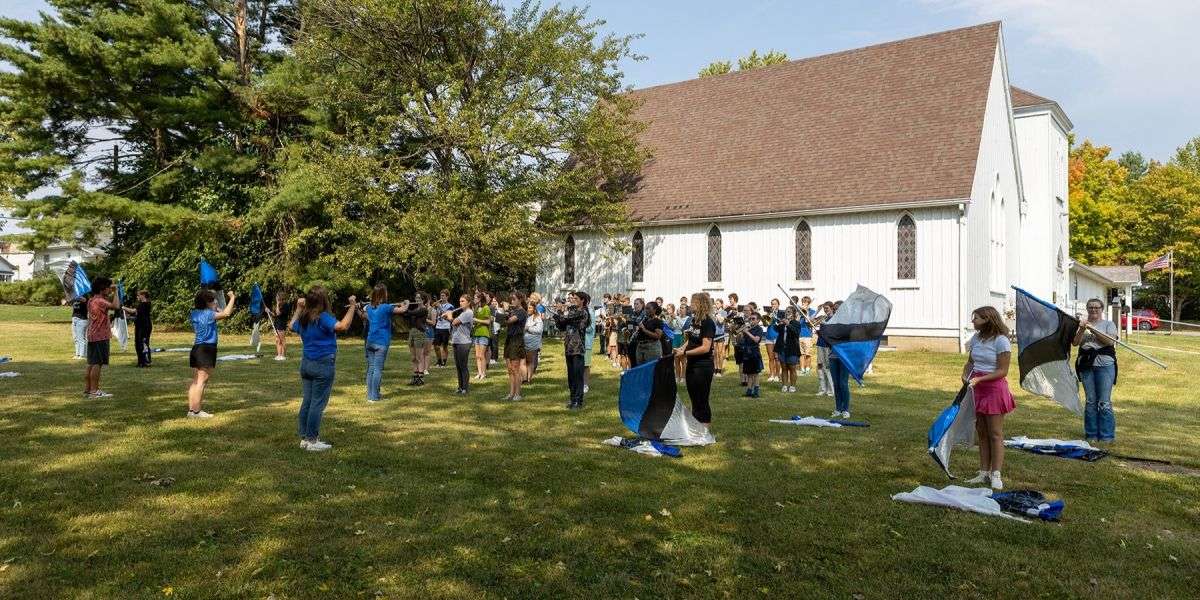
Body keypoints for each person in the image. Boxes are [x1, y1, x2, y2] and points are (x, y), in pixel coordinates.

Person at [291, 286, 357, 451]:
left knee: (307, 401)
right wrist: (353, 307)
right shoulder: (322, 317)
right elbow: (342, 326)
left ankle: (305, 439)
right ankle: (312, 441)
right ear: (323, 300)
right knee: (317, 403)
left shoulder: (304, 317)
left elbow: (292, 325)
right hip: (322, 364)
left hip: (306, 363)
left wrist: (299, 309)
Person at [961, 306, 1015, 490]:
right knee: (981, 432)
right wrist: (965, 374)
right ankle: (983, 473)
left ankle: (996, 474)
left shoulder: (1001, 341)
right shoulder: (976, 338)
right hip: (977, 388)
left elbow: (1003, 371)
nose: (973, 321)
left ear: (988, 319)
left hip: (993, 389)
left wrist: (980, 379)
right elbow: (970, 363)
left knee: (995, 434)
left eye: (976, 318)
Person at [1073, 298, 1118, 442]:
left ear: (1101, 309)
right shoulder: (1083, 325)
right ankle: (1091, 434)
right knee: (1091, 401)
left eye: (1096, 307)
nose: (1093, 310)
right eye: (1090, 307)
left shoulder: (1108, 324)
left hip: (1105, 365)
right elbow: (1075, 343)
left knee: (1103, 401)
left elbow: (1110, 341)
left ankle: (1106, 436)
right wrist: (1081, 328)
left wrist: (1093, 329)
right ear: (1087, 309)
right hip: (1087, 365)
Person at [187, 289, 236, 418]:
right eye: (213, 300)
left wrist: (214, 305)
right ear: (207, 302)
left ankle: (191, 410)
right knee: (202, 381)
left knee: (196, 381)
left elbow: (220, 312)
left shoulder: (194, 313)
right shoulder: (209, 315)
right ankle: (197, 411)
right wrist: (232, 298)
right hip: (207, 348)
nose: (215, 301)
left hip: (197, 348)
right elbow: (226, 313)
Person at [675, 292, 715, 426]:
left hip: (703, 366)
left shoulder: (708, 323)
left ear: (701, 304)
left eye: (693, 302)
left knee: (702, 399)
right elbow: (690, 339)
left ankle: (704, 432)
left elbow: (705, 348)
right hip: (692, 365)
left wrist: (685, 353)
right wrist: (681, 349)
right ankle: (696, 429)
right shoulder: (694, 321)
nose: (690, 305)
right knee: (694, 398)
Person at [361, 284, 405, 403]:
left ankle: (370, 395)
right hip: (381, 342)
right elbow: (403, 310)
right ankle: (374, 396)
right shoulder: (386, 307)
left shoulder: (369, 308)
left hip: (370, 341)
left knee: (370, 368)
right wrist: (405, 303)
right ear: (383, 294)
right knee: (377, 369)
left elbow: (366, 316)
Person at [551, 291, 590, 410]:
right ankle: (573, 399)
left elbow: (567, 318)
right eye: (572, 298)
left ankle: (578, 401)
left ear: (582, 300)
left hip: (578, 348)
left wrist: (560, 311)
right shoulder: (573, 311)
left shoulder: (583, 312)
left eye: (576, 298)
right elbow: (561, 325)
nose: (573, 300)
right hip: (568, 347)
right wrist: (557, 314)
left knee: (578, 376)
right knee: (571, 376)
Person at [83, 277, 121, 399]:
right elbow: (116, 306)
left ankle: (88, 389)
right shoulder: (100, 301)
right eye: (108, 287)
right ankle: (94, 391)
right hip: (100, 336)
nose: (110, 289)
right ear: (102, 288)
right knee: (97, 364)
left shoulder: (91, 300)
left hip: (92, 335)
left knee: (91, 363)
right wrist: (116, 292)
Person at [823, 300, 854, 418]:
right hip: (833, 356)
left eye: (837, 308)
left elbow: (849, 338)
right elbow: (827, 339)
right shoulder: (831, 321)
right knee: (836, 383)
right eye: (834, 309)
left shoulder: (848, 323)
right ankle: (838, 408)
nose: (835, 310)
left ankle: (845, 409)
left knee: (843, 383)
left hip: (844, 356)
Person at [396, 293, 429, 386]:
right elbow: (406, 315)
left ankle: (421, 378)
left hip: (419, 333)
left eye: (419, 298)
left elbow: (410, 313)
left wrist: (404, 306)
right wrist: (402, 307)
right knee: (413, 357)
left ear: (423, 300)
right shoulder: (415, 309)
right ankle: (415, 377)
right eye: (416, 297)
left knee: (419, 357)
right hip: (412, 332)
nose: (417, 299)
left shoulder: (423, 310)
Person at [503, 292, 528, 401]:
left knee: (515, 369)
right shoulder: (513, 311)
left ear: (520, 299)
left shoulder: (522, 312)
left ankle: (518, 394)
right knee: (510, 369)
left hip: (516, 341)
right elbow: (504, 321)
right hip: (509, 340)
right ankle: (511, 393)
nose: (511, 301)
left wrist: (506, 310)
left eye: (513, 299)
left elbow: (509, 320)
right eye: (510, 299)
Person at [447, 295, 474, 395]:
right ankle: (460, 387)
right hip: (456, 341)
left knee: (463, 366)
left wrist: (449, 315)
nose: (460, 303)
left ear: (468, 302)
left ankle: (465, 388)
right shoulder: (463, 313)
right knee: (458, 366)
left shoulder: (468, 313)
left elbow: (454, 322)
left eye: (463, 301)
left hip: (464, 342)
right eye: (460, 301)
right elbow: (454, 322)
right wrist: (446, 317)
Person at [122, 290, 153, 367]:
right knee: (138, 343)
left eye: (139, 295)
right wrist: (130, 317)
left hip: (144, 326)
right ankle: (140, 361)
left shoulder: (145, 304)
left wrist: (123, 307)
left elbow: (133, 311)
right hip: (140, 326)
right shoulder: (141, 304)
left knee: (143, 343)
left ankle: (145, 361)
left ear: (143, 295)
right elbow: (137, 314)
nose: (137, 297)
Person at [775, 307, 802, 393]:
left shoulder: (796, 323)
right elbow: (776, 329)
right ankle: (784, 385)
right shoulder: (782, 323)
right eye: (786, 311)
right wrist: (775, 321)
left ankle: (792, 386)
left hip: (792, 348)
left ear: (793, 313)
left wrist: (789, 324)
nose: (787, 313)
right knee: (784, 368)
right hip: (782, 348)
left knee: (792, 368)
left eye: (789, 311)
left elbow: (796, 333)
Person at [740, 311, 764, 398]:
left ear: (758, 320)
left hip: (754, 353)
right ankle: (749, 390)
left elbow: (756, 340)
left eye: (753, 319)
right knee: (749, 373)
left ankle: (756, 391)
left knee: (756, 373)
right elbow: (741, 339)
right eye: (750, 319)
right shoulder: (748, 328)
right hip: (747, 352)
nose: (751, 320)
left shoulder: (759, 329)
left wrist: (746, 332)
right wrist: (741, 332)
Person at [815, 302, 835, 397]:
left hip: (828, 346)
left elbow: (833, 331)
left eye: (827, 308)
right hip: (820, 344)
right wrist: (817, 311)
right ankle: (822, 389)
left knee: (827, 368)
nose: (825, 310)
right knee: (820, 366)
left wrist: (825, 324)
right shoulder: (824, 317)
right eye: (824, 308)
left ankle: (831, 390)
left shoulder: (834, 318)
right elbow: (810, 321)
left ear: (831, 308)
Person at [635, 301, 664, 366]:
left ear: (654, 310)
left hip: (652, 347)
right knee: (641, 369)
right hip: (640, 346)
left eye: (648, 308)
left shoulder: (658, 321)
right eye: (646, 308)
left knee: (650, 369)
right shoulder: (645, 320)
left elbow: (658, 336)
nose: (646, 310)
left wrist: (644, 330)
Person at [472, 292, 493, 380]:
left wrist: (476, 320)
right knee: (477, 355)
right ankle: (479, 373)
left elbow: (488, 321)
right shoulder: (477, 308)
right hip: (476, 333)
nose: (474, 300)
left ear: (480, 299)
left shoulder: (486, 308)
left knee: (481, 355)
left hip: (484, 333)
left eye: (475, 298)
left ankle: (484, 373)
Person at [523, 301, 543, 383]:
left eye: (530, 307)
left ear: (534, 309)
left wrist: (528, 328)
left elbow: (539, 330)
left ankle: (529, 378)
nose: (528, 309)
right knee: (526, 360)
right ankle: (525, 376)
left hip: (533, 343)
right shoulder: (529, 317)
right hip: (526, 341)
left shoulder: (538, 318)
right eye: (528, 307)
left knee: (530, 360)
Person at [433, 289, 454, 367]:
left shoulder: (450, 306)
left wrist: (440, 307)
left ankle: (444, 361)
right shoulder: (438, 305)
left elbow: (446, 315)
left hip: (446, 327)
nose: (441, 297)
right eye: (441, 295)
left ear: (447, 297)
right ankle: (439, 360)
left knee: (444, 346)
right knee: (436, 345)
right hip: (438, 326)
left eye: (443, 296)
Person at [583, 301, 599, 392]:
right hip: (577, 342)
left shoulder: (590, 312)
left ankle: (585, 384)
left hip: (586, 342)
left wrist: (580, 325)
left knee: (585, 365)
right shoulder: (578, 311)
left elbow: (591, 328)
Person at [764, 299, 781, 382]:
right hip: (769, 336)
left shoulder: (781, 313)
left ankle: (777, 375)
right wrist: (768, 316)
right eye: (772, 304)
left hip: (777, 336)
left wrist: (775, 316)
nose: (773, 306)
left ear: (778, 305)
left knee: (777, 357)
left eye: (775, 304)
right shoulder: (769, 313)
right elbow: (765, 324)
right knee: (771, 357)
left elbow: (781, 323)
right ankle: (771, 375)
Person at [271, 291, 290, 361]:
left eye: (278, 299)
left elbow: (278, 313)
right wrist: (268, 311)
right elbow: (275, 314)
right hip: (277, 324)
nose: (278, 300)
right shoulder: (279, 305)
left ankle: (283, 355)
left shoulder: (286, 305)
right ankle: (279, 355)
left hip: (281, 324)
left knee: (282, 340)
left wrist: (277, 304)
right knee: (277, 340)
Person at [712, 299, 727, 377]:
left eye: (717, 303)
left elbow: (721, 321)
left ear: (721, 304)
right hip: (714, 334)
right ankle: (715, 368)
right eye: (715, 303)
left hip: (720, 334)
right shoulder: (713, 312)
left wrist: (717, 314)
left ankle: (720, 370)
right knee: (715, 353)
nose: (716, 305)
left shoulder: (724, 312)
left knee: (720, 352)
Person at [70, 294, 88, 360]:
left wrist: (74, 297)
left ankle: (83, 355)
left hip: (82, 319)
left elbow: (84, 300)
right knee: (75, 338)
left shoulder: (85, 295)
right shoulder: (74, 297)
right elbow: (69, 302)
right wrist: (66, 301)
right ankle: (77, 354)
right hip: (74, 319)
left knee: (81, 338)